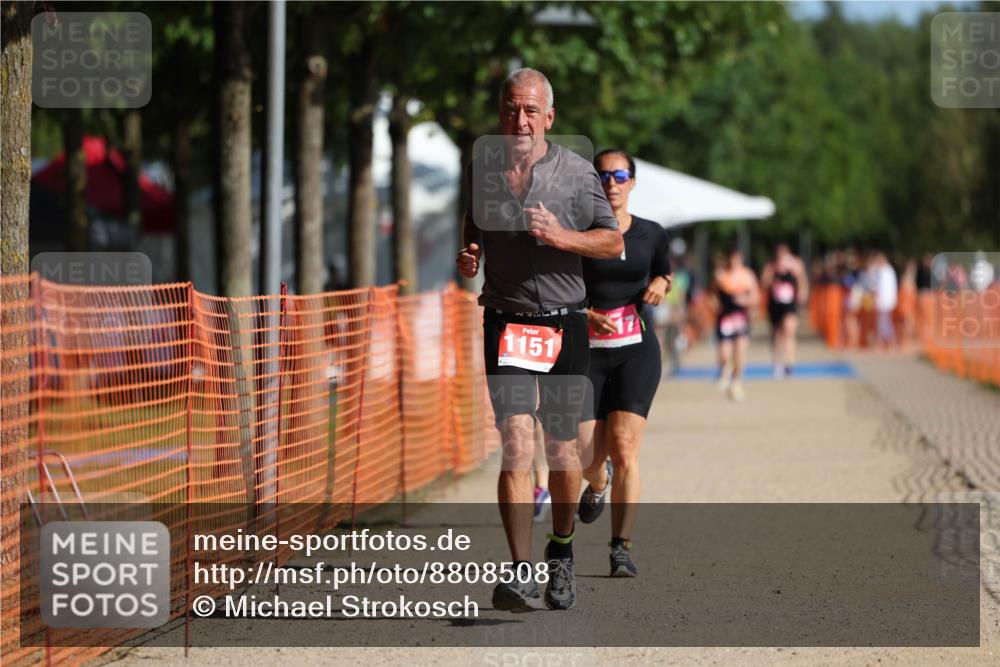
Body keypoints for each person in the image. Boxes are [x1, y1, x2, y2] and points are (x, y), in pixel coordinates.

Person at [455, 68, 623, 611]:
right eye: (511, 108)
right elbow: (473, 228)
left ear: (549, 118)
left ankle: (564, 552)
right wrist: (470, 257)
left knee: (560, 447)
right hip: (505, 320)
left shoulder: (575, 174)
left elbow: (611, 241)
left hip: (564, 321)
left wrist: (562, 236)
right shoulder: (483, 170)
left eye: (530, 110)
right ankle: (521, 569)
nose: (519, 120)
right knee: (516, 442)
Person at [575, 149, 672, 577]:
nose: (612, 183)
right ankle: (598, 482)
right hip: (588, 351)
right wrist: (583, 312)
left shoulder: (652, 233)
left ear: (632, 182)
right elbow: (560, 290)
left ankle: (621, 548)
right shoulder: (579, 234)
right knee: (585, 456)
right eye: (604, 176)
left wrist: (659, 283)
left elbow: (665, 272)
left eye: (620, 175)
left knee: (627, 448)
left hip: (637, 349)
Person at [711, 248, 759, 401]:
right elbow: (710, 294)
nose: (734, 261)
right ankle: (725, 370)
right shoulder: (720, 275)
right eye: (731, 258)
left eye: (736, 258)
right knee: (725, 353)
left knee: (740, 350)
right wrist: (715, 304)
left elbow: (755, 297)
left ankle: (737, 382)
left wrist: (745, 301)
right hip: (725, 317)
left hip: (740, 317)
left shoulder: (748, 275)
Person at [760, 244, 808, 378]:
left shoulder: (796, 264)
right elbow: (763, 283)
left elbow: (802, 281)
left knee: (789, 331)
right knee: (776, 334)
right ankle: (777, 364)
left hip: (790, 304)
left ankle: (790, 364)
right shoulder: (771, 266)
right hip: (775, 304)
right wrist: (774, 273)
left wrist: (802, 297)